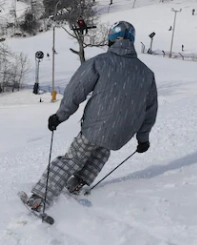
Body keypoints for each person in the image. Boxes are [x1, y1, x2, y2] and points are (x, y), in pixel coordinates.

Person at [25, 21, 158, 210]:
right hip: (122, 135)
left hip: (97, 126)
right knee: (101, 152)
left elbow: (76, 90)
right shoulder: (146, 73)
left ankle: (39, 199)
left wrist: (60, 116)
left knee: (72, 159)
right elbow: (150, 109)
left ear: (111, 39)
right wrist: (143, 138)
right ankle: (77, 184)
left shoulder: (101, 62)